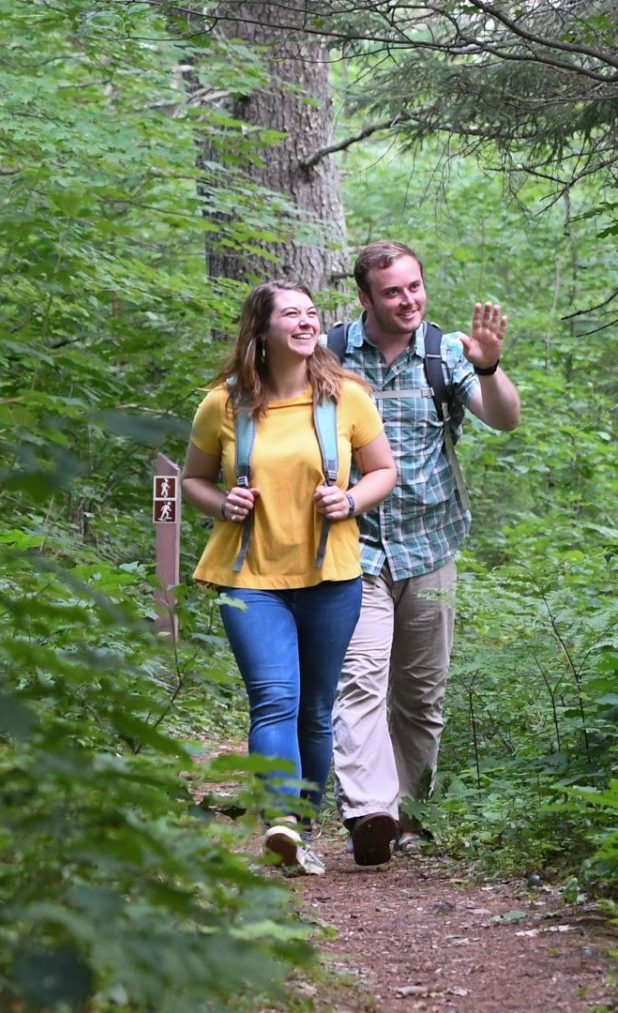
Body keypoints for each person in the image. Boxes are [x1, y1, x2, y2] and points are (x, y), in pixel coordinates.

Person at [183, 279, 397, 876]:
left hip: (331, 575)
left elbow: (384, 471)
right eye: (291, 315)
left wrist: (352, 501)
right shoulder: (222, 405)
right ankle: (278, 821)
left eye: (311, 314)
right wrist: (220, 502)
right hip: (249, 575)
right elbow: (192, 479)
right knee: (273, 699)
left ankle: (302, 827)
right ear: (262, 329)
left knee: (316, 711)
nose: (306, 323)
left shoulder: (348, 397)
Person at [330, 241, 522, 865]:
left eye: (415, 287)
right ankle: (369, 811)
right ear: (366, 298)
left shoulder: (444, 354)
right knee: (357, 680)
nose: (408, 300)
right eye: (392, 292)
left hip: (432, 547)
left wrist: (490, 367)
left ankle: (412, 814)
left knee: (420, 693)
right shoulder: (329, 356)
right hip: (350, 548)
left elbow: (504, 419)